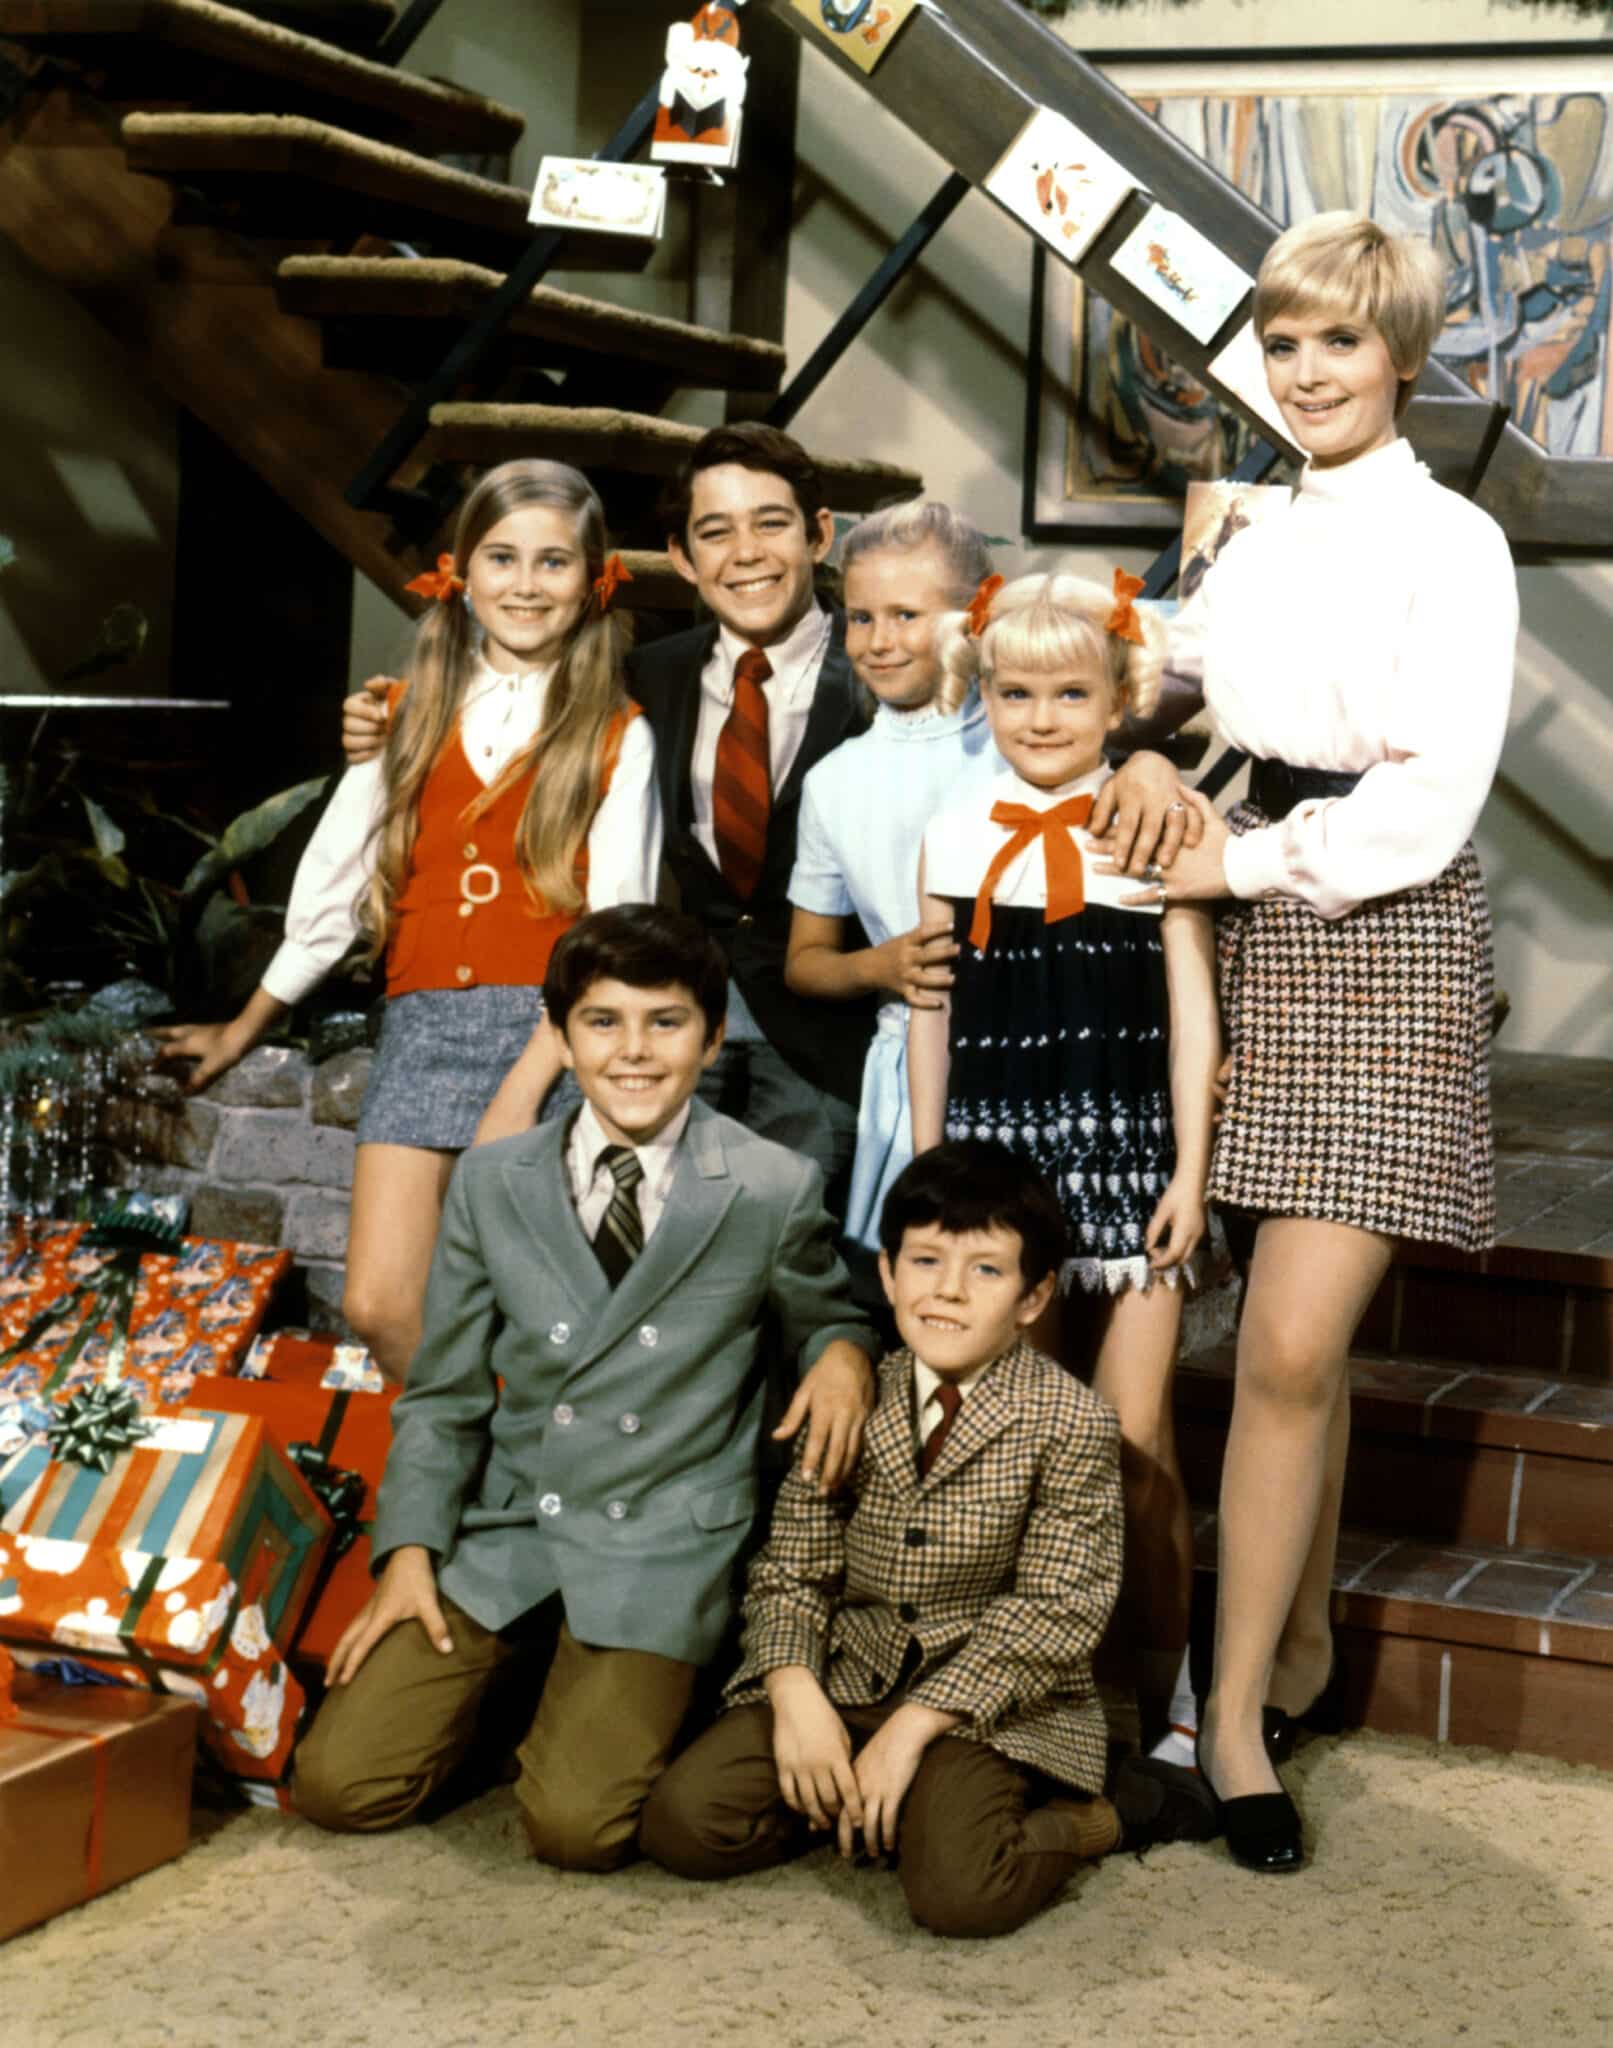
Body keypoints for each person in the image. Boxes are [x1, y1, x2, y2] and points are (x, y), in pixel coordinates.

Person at [1100, 211, 1519, 1870]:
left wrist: (1236, 854)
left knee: (1277, 1348)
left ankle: (1234, 1724)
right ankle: (1293, 1644)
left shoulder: (1452, 540)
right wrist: (1145, 754)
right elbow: (1180, 685)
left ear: (1399, 357)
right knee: (1289, 1348)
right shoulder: (1251, 533)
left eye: (1338, 342)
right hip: (1234, 924)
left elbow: (1423, 795)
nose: (1306, 371)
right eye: (1282, 344)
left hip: (1376, 928)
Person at [292, 904, 880, 1871]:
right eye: (603, 1023)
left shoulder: (769, 1184)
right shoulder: (493, 1179)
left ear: (713, 1034)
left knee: (575, 1830)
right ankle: (522, 1679)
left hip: (659, 1543)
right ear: (559, 1038)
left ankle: (655, 1693)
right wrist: (408, 1552)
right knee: (340, 1788)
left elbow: (823, 1315)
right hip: (516, 1526)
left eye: (666, 1022)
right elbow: (441, 1396)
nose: (634, 1052)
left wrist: (844, 1356)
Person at [153, 460, 661, 1383]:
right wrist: (243, 1026)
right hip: (423, 1024)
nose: (524, 582)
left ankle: (504, 1505)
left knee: (509, 1303)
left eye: (553, 562)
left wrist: (542, 1069)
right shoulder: (405, 712)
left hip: (543, 1036)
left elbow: (616, 936)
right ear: (459, 573)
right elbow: (334, 889)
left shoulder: (618, 731)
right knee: (381, 1302)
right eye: (501, 557)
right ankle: (470, 1466)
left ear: (593, 583)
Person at [641, 1140, 1218, 1938]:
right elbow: (790, 1573)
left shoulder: (1070, 1421)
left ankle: (1112, 1811)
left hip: (989, 1704)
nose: (946, 1292)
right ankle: (885, 1806)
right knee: (685, 1824)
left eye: (984, 1269)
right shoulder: (853, 1397)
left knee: (960, 1894)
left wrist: (914, 1727)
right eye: (924, 1261)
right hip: (849, 1677)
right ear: (886, 1274)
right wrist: (793, 1691)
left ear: (1031, 1296)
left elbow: (1056, 1612)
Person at [347, 424, 879, 1202]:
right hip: (667, 1035)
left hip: (821, 1042)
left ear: (819, 535)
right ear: (684, 556)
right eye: (715, 531)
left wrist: (1133, 761)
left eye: (771, 522)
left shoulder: (883, 674)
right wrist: (378, 719)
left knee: (800, 1271)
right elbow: (505, 703)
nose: (747, 552)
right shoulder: (644, 676)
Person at [908, 571, 1221, 1765]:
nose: (1041, 717)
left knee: (1133, 1439)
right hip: (1002, 1173)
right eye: (1015, 691)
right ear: (981, 692)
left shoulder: (1155, 829)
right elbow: (931, 1013)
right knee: (1024, 1435)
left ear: (1117, 700)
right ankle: (1050, 1688)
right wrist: (935, 1173)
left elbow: (1191, 1016)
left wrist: (1188, 1169)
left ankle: (1166, 1686)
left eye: (1070, 693)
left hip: (1130, 1166)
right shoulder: (950, 828)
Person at [783, 500, 1001, 1265]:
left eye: (906, 615)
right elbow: (805, 957)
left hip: (1022, 1050)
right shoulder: (835, 781)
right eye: (860, 617)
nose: (878, 642)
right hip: (910, 1071)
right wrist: (879, 966)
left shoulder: (1020, 741)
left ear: (973, 614)